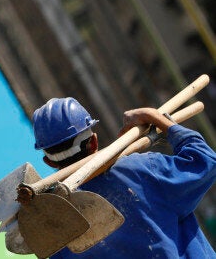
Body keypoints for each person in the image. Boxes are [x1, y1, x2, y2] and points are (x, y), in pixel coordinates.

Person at [32, 97, 216, 258]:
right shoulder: (143, 171)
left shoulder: (55, 226)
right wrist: (155, 118)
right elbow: (205, 160)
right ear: (94, 141)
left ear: (49, 162)